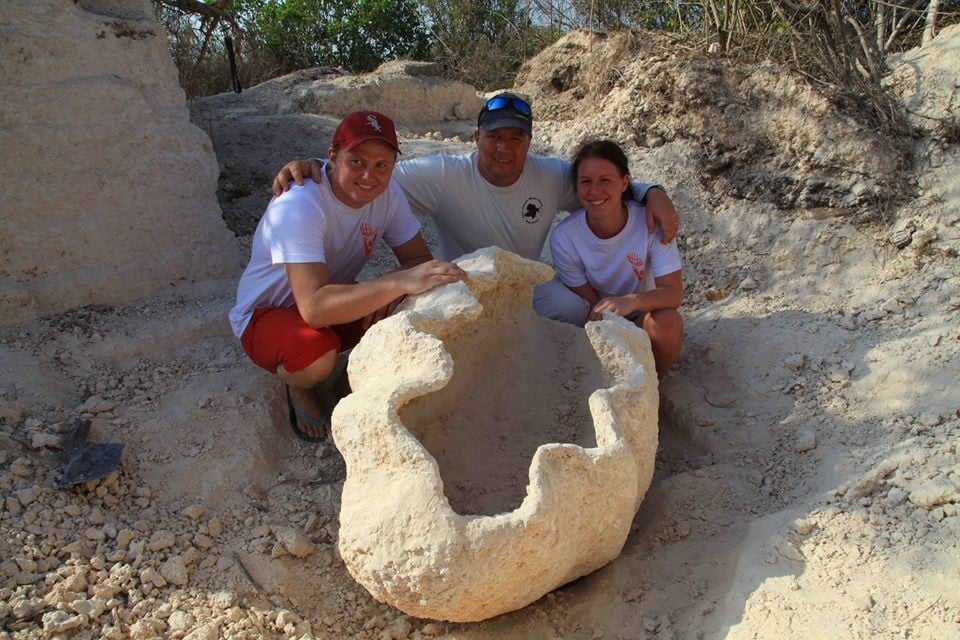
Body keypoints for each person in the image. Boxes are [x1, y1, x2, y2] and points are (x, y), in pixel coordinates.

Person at [270, 92, 681, 317]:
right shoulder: (443, 174)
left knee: (577, 309)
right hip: (459, 283)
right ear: (476, 138)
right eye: (494, 137)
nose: (504, 148)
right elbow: (370, 175)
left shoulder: (553, 176)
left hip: (525, 287)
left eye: (515, 139)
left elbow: (603, 189)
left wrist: (653, 193)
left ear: (528, 143)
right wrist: (319, 168)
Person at [229, 111, 467, 442]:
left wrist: (398, 288)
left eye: (381, 165)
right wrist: (395, 283)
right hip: (265, 314)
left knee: (405, 307)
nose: (369, 175)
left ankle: (349, 380)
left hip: (328, 297)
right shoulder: (300, 203)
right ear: (333, 157)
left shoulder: (387, 194)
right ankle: (299, 385)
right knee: (317, 353)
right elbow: (313, 308)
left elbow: (416, 260)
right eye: (356, 161)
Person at [550, 139, 683, 379]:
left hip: (643, 309)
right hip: (596, 315)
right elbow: (589, 302)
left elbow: (673, 293)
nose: (595, 191)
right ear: (577, 187)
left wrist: (631, 302)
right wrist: (611, 317)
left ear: (624, 183)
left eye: (605, 180)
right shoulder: (564, 237)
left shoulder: (651, 224)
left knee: (667, 323)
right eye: (586, 182)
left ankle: (655, 385)